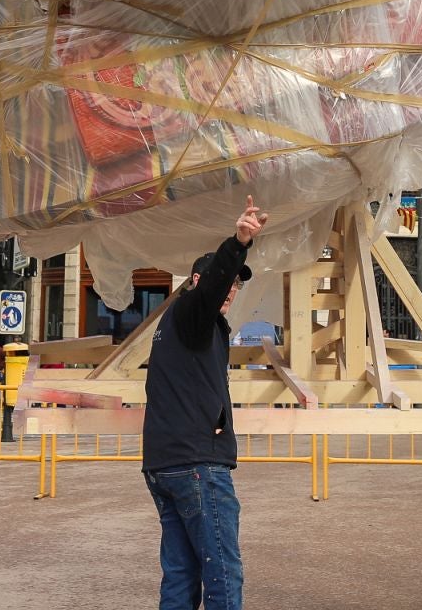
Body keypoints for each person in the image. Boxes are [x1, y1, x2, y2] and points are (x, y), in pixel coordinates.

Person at [142, 194, 268, 610]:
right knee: (222, 572)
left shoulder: (174, 325)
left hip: (165, 464)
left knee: (181, 572)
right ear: (197, 283)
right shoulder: (193, 315)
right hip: (197, 466)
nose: (230, 288)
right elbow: (210, 287)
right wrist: (238, 243)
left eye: (235, 283)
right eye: (224, 281)